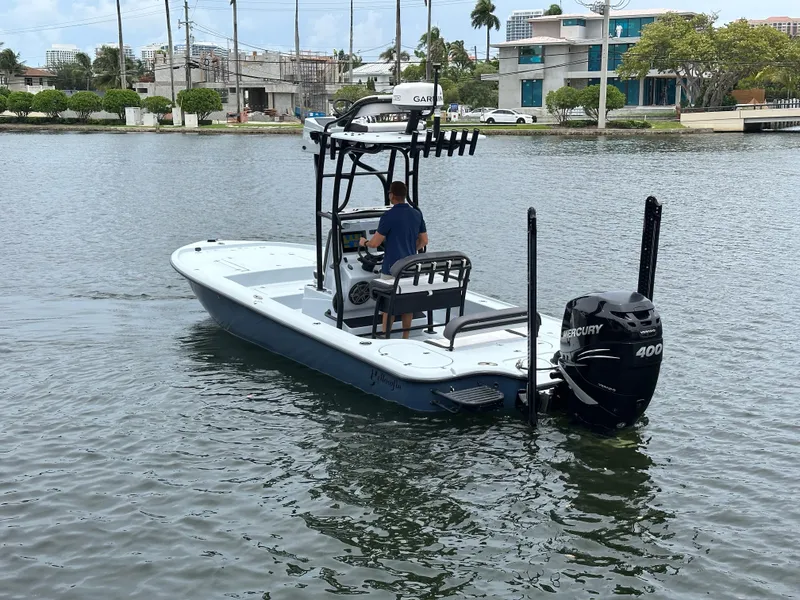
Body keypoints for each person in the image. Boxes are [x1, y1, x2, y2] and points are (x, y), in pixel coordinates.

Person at [359, 181, 428, 339]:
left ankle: (386, 335)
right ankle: (405, 337)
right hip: (410, 267)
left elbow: (375, 243)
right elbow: (424, 240)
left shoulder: (388, 216)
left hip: (391, 268)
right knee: (407, 304)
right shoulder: (416, 214)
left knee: (387, 305)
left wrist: (364, 242)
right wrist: (410, 250)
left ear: (392, 195)